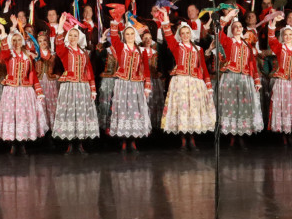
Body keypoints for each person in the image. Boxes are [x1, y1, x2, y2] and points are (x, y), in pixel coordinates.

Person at [158, 8, 214, 150]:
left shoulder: (199, 49)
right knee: (183, 111)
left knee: (193, 111)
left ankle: (193, 139)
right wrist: (165, 18)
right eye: (182, 33)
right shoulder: (177, 46)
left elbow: (204, 68)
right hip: (181, 81)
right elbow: (168, 35)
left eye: (187, 32)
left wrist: (208, 85)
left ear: (191, 34)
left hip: (195, 82)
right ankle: (183, 140)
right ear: (180, 34)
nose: (185, 35)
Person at [0, 26, 48, 155]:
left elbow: (32, 73)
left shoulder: (28, 56)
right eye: (14, 40)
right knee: (12, 116)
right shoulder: (8, 54)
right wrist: (4, 33)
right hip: (11, 90)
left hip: (25, 90)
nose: (16, 42)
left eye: (18, 40)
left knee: (23, 117)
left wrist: (38, 91)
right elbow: (4, 51)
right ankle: (12, 144)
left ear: (22, 41)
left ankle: (22, 144)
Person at [51, 18, 99, 153]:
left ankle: (80, 143)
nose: (72, 38)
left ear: (79, 38)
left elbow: (88, 71)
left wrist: (93, 89)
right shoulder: (65, 51)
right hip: (70, 86)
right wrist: (60, 26)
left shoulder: (84, 53)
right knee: (70, 114)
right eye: (70, 35)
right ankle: (70, 144)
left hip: (82, 86)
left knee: (81, 114)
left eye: (75, 35)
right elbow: (58, 45)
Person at [217, 9, 263, 147]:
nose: (238, 29)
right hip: (230, 77)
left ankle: (241, 135)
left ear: (243, 29)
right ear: (232, 30)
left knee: (243, 107)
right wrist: (227, 18)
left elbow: (252, 64)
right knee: (231, 107)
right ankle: (232, 136)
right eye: (235, 27)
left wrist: (256, 80)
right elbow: (219, 33)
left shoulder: (247, 45)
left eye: (240, 27)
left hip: (244, 79)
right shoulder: (228, 41)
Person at [107, 18, 152, 150]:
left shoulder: (141, 51)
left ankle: (133, 140)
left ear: (135, 35)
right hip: (123, 84)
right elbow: (114, 37)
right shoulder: (121, 47)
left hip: (136, 85)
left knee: (134, 111)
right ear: (124, 36)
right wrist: (115, 21)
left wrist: (147, 86)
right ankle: (124, 140)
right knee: (123, 111)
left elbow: (146, 69)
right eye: (127, 34)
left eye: (132, 34)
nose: (130, 36)